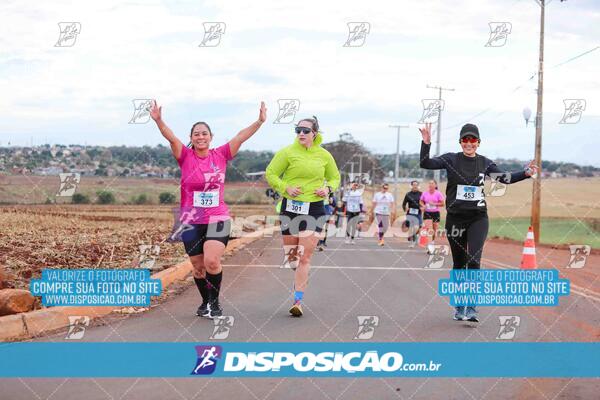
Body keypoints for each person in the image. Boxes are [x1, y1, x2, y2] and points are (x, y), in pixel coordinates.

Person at [150, 100, 266, 319]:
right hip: (190, 219)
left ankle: (215, 302)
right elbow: (171, 137)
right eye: (196, 134)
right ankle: (205, 302)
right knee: (197, 266)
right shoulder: (185, 156)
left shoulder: (220, 155)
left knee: (212, 261)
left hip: (218, 216)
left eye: (204, 133)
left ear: (211, 137)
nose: (200, 137)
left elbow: (241, 136)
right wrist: (158, 120)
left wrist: (259, 121)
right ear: (192, 138)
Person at [419, 122, 538, 322]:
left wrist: (525, 173)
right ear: (460, 142)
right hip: (456, 219)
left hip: (477, 218)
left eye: (472, 140)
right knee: (459, 264)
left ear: (478, 142)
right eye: (465, 139)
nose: (469, 143)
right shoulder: (451, 159)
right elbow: (426, 163)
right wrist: (426, 143)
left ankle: (472, 307)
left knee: (474, 260)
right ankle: (459, 305)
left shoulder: (485, 163)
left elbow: (505, 178)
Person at [265, 116, 340, 317]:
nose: (301, 134)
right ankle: (293, 265)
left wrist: (328, 188)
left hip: (314, 208)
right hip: (290, 207)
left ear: (315, 133)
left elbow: (335, 177)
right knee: (293, 259)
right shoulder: (287, 153)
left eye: (305, 130)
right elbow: (271, 173)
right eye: (298, 130)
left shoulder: (324, 155)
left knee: (305, 256)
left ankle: (298, 301)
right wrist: (285, 187)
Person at [419, 179, 445, 253]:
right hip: (427, 213)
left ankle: (432, 242)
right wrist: (423, 205)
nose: (430, 185)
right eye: (429, 183)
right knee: (429, 229)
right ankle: (430, 246)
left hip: (435, 213)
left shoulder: (438, 193)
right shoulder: (425, 193)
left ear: (435, 185)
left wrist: (434, 204)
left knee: (434, 229)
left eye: (432, 183)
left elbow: (443, 204)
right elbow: (420, 201)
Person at [401, 180, 423, 247]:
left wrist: (423, 207)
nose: (415, 186)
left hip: (418, 212)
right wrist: (405, 208)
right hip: (410, 213)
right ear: (411, 186)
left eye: (416, 185)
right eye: (413, 185)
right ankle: (413, 242)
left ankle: (415, 236)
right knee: (411, 227)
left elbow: (424, 202)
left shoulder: (421, 194)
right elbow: (404, 204)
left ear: (418, 186)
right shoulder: (408, 194)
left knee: (418, 227)